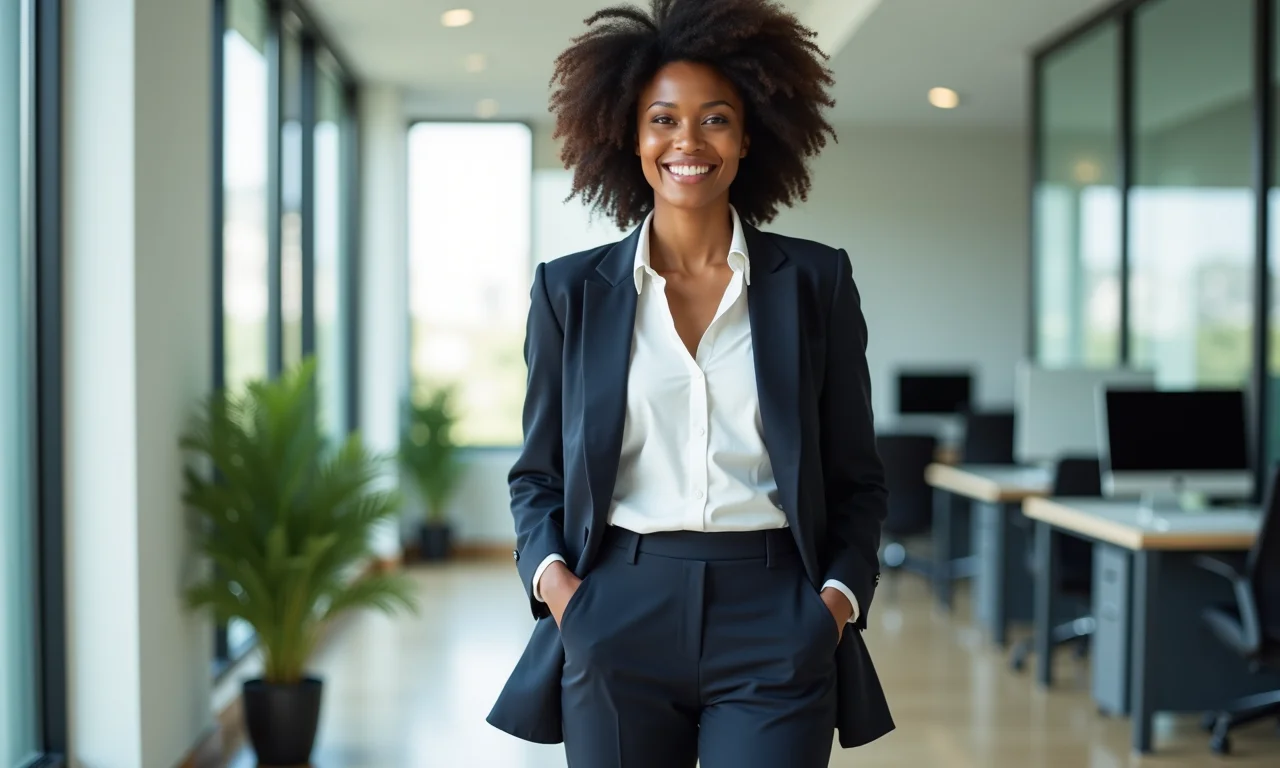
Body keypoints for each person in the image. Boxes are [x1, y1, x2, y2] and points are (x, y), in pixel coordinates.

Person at [487, 0, 893, 764]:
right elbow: (537, 473)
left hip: (776, 611)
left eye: (715, 119)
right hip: (616, 607)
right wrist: (562, 594)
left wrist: (834, 603)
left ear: (748, 139)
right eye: (662, 119)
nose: (687, 142)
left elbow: (857, 476)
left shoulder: (817, 281)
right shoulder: (568, 293)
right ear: (629, 135)